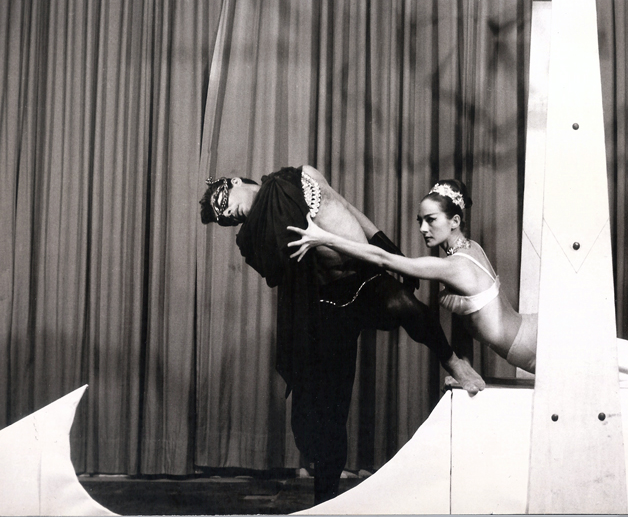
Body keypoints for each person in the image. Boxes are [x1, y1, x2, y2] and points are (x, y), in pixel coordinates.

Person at [287, 179, 628, 389]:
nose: (423, 229)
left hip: (546, 343)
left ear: (454, 220)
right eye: (420, 221)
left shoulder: (455, 265)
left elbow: (379, 255)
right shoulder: (466, 250)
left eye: (431, 221)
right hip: (541, 339)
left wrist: (323, 235)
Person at [199, 167, 484, 505]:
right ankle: (325, 503)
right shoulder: (254, 235)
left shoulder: (297, 179)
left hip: (363, 276)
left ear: (234, 181)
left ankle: (452, 361)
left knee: (404, 304)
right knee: (325, 415)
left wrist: (389, 250)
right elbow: (276, 272)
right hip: (324, 303)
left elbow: (347, 207)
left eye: (222, 202)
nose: (226, 214)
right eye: (223, 219)